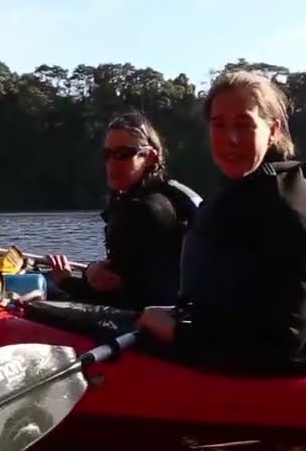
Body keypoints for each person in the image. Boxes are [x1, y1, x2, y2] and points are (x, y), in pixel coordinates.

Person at [135, 69, 306, 368]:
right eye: (219, 125)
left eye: (244, 124)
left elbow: (281, 341)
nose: (230, 139)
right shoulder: (244, 189)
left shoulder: (290, 211)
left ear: (273, 130)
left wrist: (177, 330)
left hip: (281, 357)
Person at [45, 111, 203, 310]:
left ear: (150, 157)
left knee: (40, 289)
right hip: (176, 307)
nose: (112, 163)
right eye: (107, 154)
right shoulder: (168, 199)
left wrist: (65, 280)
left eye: (123, 154)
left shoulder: (137, 210)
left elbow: (112, 297)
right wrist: (91, 271)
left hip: (141, 321)